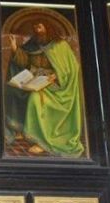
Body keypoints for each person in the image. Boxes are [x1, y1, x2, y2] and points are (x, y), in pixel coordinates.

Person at [5, 21, 84, 157]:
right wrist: (14, 48)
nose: (37, 30)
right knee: (14, 90)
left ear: (48, 26)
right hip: (36, 81)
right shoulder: (33, 45)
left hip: (58, 88)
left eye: (39, 26)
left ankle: (41, 140)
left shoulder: (60, 45)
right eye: (35, 27)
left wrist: (56, 75)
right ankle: (21, 129)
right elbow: (25, 62)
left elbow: (72, 69)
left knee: (35, 99)